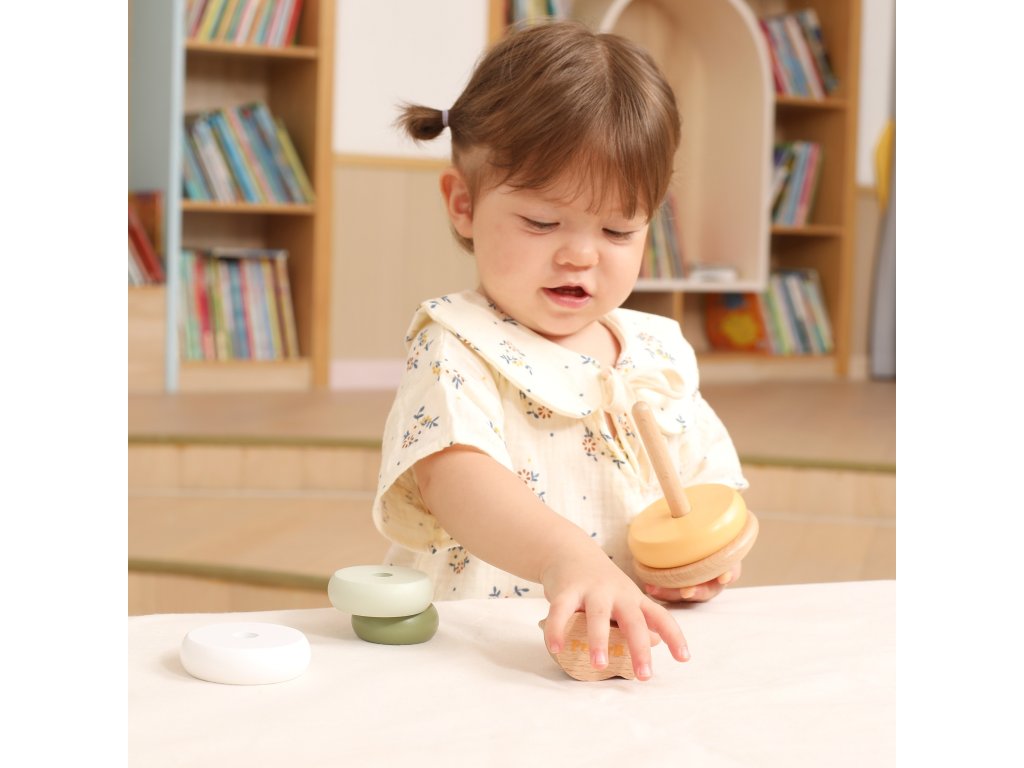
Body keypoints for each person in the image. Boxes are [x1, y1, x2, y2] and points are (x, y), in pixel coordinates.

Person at [371, 20, 749, 681]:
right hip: (484, 651)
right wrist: (564, 557)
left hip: (622, 646)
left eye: (618, 229)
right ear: (463, 204)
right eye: (543, 222)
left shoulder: (655, 350)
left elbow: (702, 477)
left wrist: (699, 560)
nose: (580, 254)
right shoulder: (456, 342)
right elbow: (455, 478)